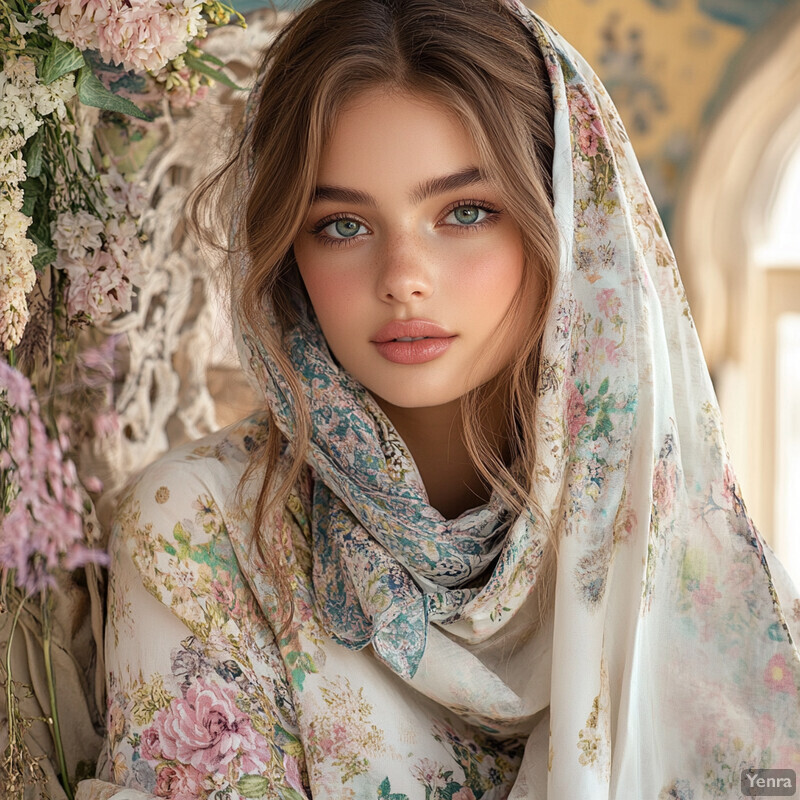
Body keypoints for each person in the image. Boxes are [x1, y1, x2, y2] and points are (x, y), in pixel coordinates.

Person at [75, 1, 800, 798]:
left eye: (465, 212)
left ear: (566, 223)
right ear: (287, 251)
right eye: (343, 225)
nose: (402, 276)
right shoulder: (204, 531)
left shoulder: (671, 542)